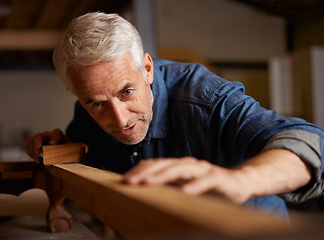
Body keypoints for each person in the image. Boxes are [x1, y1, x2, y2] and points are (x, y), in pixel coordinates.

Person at [24, 12, 324, 231]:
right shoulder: (85, 114)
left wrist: (240, 180)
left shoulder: (206, 98)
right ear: (76, 93)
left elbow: (310, 141)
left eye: (127, 91)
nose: (119, 118)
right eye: (97, 103)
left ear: (147, 69)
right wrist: (58, 150)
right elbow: (82, 162)